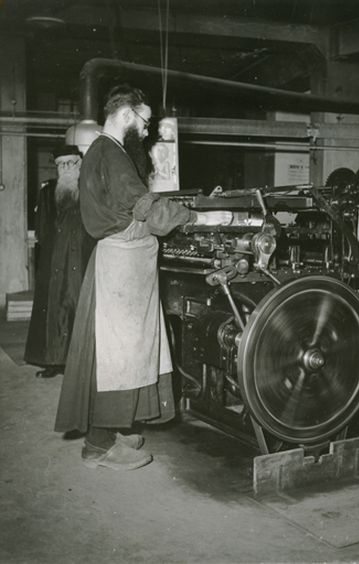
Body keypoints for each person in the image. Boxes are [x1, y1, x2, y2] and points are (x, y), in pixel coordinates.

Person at [54, 84, 231, 471]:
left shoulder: (104, 152)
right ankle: (98, 446)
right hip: (122, 267)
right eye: (146, 121)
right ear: (125, 115)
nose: (148, 130)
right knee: (118, 356)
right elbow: (144, 207)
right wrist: (199, 218)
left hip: (124, 265)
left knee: (124, 354)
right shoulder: (112, 155)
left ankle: (111, 430)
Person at [25, 145, 94, 378]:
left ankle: (79, 365)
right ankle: (54, 361)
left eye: (71, 163)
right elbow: (42, 229)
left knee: (79, 307)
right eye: (61, 164)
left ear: (80, 164)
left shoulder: (90, 189)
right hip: (54, 260)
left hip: (82, 259)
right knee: (54, 310)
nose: (65, 168)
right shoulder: (48, 192)